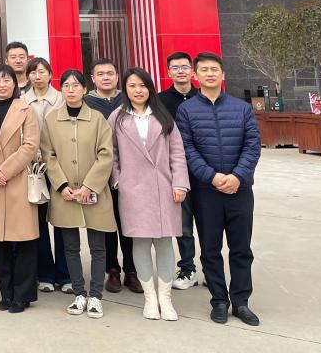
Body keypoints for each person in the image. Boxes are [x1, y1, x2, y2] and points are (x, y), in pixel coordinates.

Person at [176, 52, 261, 327]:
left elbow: (252, 146)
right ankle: (219, 301)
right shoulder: (186, 111)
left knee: (241, 248)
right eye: (204, 70)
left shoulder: (242, 109)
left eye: (215, 69)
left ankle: (241, 301)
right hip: (206, 191)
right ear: (196, 76)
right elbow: (187, 149)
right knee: (210, 249)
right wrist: (212, 177)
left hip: (240, 190)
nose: (210, 73)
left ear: (223, 75)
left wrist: (237, 176)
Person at [108, 68, 190, 322]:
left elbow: (177, 152)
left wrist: (180, 183)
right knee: (141, 243)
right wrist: (118, 180)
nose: (138, 90)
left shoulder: (163, 116)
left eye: (143, 85)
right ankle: (150, 298)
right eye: (132, 86)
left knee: (164, 242)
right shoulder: (117, 117)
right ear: (125, 89)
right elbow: (110, 153)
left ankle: (165, 298)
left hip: (163, 188)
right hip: (133, 190)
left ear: (150, 88)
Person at [41, 69, 117, 320]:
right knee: (70, 247)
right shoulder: (52, 120)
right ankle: (78, 293)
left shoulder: (97, 119)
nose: (71, 90)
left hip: (93, 192)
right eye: (66, 85)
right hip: (65, 193)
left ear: (85, 90)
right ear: (61, 89)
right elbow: (48, 154)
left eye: (76, 85)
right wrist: (61, 185)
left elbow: (106, 154)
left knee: (98, 247)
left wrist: (90, 186)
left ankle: (95, 295)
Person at [0, 64, 40, 313]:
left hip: (18, 180)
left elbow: (30, 145)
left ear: (15, 83)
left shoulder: (26, 110)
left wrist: (5, 170)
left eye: (7, 80)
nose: (2, 85)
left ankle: (22, 295)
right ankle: (7, 293)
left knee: (23, 242)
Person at [85, 58, 140, 294]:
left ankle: (132, 271)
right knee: (106, 225)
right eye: (101, 74)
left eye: (110, 73)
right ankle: (113, 271)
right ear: (93, 78)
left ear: (118, 77)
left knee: (128, 223)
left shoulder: (129, 100)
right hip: (99, 174)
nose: (106, 77)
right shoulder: (86, 103)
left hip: (129, 173)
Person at [22, 57, 70, 294]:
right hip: (34, 169)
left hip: (60, 167)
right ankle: (45, 274)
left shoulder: (61, 98)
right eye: (33, 72)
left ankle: (65, 274)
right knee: (38, 222)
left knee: (62, 222)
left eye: (42, 71)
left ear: (51, 74)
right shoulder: (22, 101)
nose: (37, 76)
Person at [158, 51, 201, 290]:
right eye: (175, 68)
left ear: (192, 71)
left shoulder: (203, 97)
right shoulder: (160, 101)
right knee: (183, 225)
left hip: (203, 171)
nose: (180, 71)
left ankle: (211, 269)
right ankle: (187, 269)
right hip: (175, 170)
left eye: (184, 67)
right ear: (168, 72)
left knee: (208, 224)